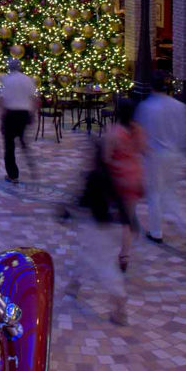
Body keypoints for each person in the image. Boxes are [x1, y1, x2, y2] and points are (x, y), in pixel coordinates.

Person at [65, 138, 128, 326]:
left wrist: (64, 214)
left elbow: (81, 200)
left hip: (101, 227)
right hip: (113, 225)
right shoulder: (110, 173)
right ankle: (75, 283)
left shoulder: (94, 176)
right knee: (87, 254)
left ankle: (119, 301)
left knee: (103, 265)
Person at [135, 82, 186, 243]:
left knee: (154, 194)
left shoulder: (146, 107)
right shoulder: (181, 107)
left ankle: (156, 231)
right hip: (174, 154)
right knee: (171, 191)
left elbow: (140, 133)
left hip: (154, 155)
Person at [102, 98, 145, 272]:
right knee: (127, 219)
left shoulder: (113, 133)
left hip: (117, 180)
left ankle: (103, 250)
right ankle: (124, 255)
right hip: (134, 178)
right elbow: (143, 149)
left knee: (107, 217)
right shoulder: (138, 130)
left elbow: (106, 158)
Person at [0, 58, 39, 183]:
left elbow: (2, 99)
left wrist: (1, 114)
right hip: (24, 114)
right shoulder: (27, 79)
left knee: (9, 145)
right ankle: (31, 164)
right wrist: (32, 113)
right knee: (22, 140)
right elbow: (34, 98)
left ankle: (13, 175)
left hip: (10, 114)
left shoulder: (6, 80)